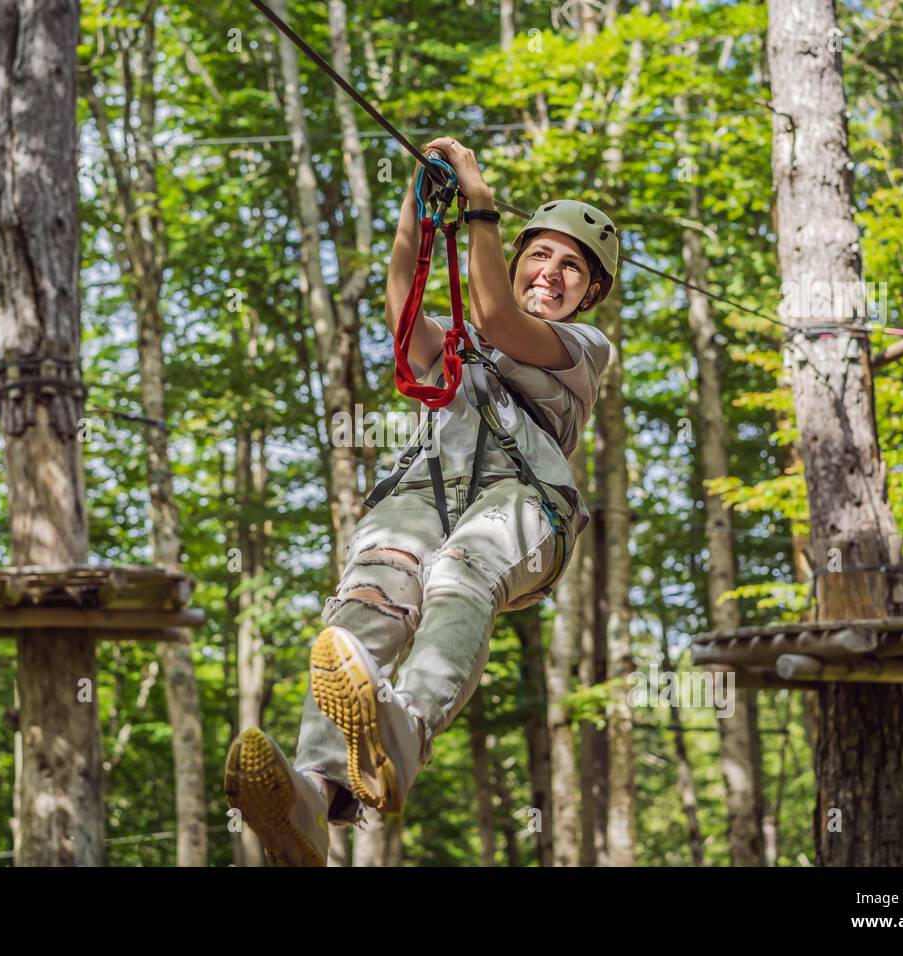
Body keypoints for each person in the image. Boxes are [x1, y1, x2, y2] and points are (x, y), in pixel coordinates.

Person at [224, 136, 617, 866]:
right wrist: (417, 201)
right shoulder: (462, 338)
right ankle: (313, 794)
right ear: (519, 256)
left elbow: (500, 318)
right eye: (542, 255)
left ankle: (403, 731)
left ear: (590, 294)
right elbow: (403, 304)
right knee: (369, 593)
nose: (552, 273)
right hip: (425, 491)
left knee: (462, 570)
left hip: (522, 501)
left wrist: (480, 204)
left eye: (573, 268)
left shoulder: (582, 347)